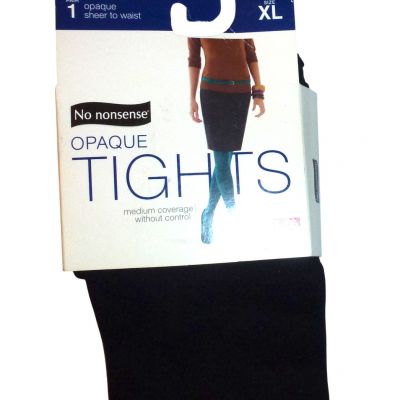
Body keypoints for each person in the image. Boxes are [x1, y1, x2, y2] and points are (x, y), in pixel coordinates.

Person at [188, 38, 265, 243]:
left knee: (224, 159)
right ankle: (234, 214)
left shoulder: (239, 20)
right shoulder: (194, 22)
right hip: (212, 93)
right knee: (222, 160)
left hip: (240, 94)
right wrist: (191, 98)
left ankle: (208, 213)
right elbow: (194, 60)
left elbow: (251, 55)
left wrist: (258, 92)